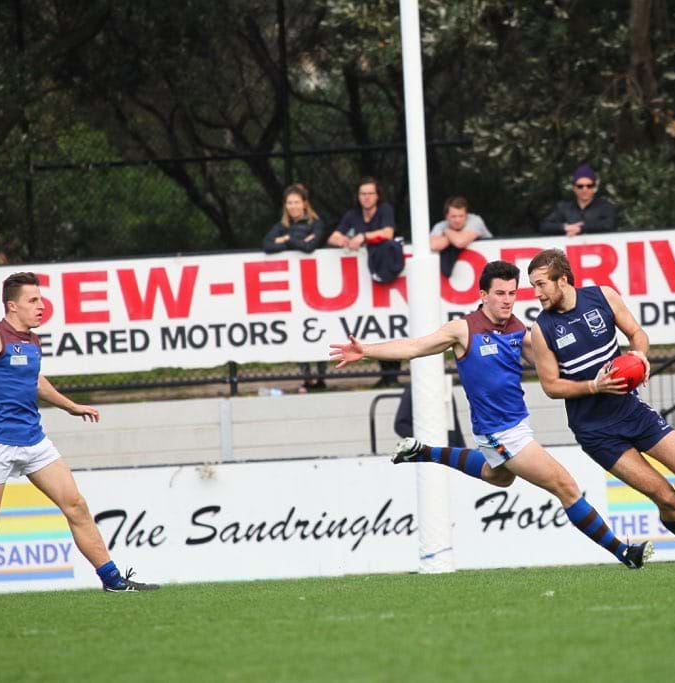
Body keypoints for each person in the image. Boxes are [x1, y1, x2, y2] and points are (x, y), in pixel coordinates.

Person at [330, 260, 654, 569]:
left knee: (498, 476)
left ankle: (424, 452)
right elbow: (414, 347)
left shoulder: (519, 330)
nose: (507, 300)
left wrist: (608, 370)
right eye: (500, 293)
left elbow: (557, 367)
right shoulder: (463, 330)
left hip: (514, 427)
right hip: (501, 433)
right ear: (483, 295)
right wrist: (367, 351)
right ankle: (624, 552)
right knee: (565, 486)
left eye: (512, 293)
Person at [0, 272, 159, 592]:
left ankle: (113, 580)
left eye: (41, 299)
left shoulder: (32, 341)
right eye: (32, 300)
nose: (41, 306)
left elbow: (34, 382)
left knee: (76, 505)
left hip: (34, 441)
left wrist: (71, 406)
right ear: (12, 305)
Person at [527, 248, 675, 569]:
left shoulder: (603, 297)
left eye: (541, 285)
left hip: (632, 412)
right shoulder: (542, 329)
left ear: (562, 279)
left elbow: (637, 333)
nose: (536, 294)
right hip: (596, 433)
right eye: (533, 286)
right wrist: (594, 386)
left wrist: (640, 355)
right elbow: (551, 385)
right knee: (664, 497)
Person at [328, 177, 402, 388]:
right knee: (375, 325)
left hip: (389, 273)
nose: (366, 197)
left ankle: (393, 374)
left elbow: (387, 233)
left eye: (370, 193)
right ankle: (385, 374)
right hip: (366, 279)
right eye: (363, 194)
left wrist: (363, 237)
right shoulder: (352, 215)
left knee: (391, 324)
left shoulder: (385, 210)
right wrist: (343, 240)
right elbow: (333, 237)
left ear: (377, 195)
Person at [263, 184, 329, 391]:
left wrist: (287, 240)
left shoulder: (316, 224)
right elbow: (267, 245)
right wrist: (294, 240)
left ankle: (321, 377)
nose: (293, 206)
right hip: (293, 288)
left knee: (319, 329)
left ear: (305, 204)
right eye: (289, 203)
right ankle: (306, 377)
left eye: (296, 202)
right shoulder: (281, 226)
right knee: (298, 329)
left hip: (317, 286)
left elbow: (310, 247)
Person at [539, 163, 616, 236]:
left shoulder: (605, 207)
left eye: (589, 186)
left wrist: (581, 228)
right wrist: (565, 227)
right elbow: (544, 226)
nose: (585, 190)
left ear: (594, 188)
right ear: (574, 189)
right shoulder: (565, 208)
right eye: (580, 186)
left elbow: (609, 224)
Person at [430, 196, 492, 277]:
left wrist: (446, 231)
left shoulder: (475, 220)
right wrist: (453, 236)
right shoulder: (441, 225)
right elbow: (433, 245)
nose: (457, 220)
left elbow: (460, 242)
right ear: (446, 216)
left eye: (461, 216)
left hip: (488, 266)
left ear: (466, 215)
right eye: (453, 216)